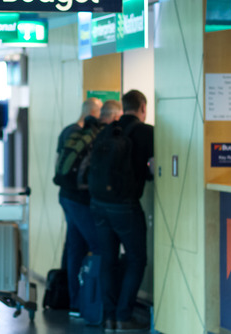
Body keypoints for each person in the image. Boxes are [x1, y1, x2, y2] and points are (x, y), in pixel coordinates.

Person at [88, 90, 154, 331]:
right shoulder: (147, 133)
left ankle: (108, 316)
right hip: (124, 206)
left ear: (124, 107)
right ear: (143, 108)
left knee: (108, 258)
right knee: (137, 258)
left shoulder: (108, 130)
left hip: (98, 203)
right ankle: (124, 315)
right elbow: (154, 169)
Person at [55, 99, 123, 312]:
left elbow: (59, 163)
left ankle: (77, 302)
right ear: (95, 113)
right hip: (81, 199)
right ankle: (98, 303)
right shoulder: (96, 135)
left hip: (66, 195)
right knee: (99, 247)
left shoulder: (70, 132)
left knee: (75, 247)